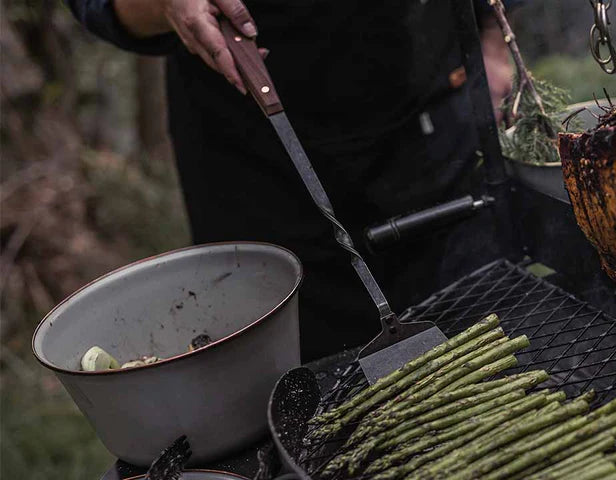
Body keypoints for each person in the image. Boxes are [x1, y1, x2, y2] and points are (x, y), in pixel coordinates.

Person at [64, 0, 518, 361]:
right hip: (258, 164)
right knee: (315, 407)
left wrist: (494, 36)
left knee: (500, 345)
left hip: (435, 125)